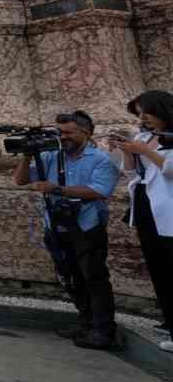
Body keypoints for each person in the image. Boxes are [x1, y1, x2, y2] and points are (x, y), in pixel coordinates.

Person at [13, 110, 121, 350]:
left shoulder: (102, 159)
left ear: (86, 133)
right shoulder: (50, 155)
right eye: (59, 132)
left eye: (68, 133)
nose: (63, 137)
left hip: (87, 226)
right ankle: (86, 323)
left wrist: (58, 189)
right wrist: (27, 156)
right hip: (55, 224)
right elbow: (20, 180)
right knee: (70, 277)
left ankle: (104, 330)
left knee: (94, 277)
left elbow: (100, 190)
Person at [110, 91, 173, 353]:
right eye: (139, 113)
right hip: (146, 205)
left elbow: (170, 169)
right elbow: (131, 171)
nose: (143, 118)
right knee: (158, 265)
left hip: (169, 208)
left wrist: (145, 151)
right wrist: (126, 150)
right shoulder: (144, 137)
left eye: (146, 112)